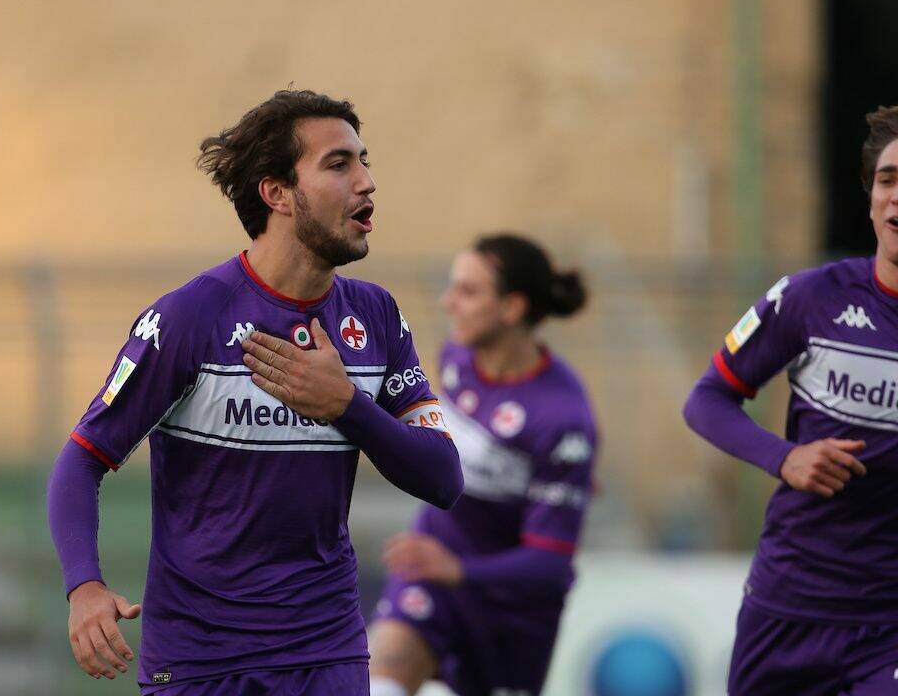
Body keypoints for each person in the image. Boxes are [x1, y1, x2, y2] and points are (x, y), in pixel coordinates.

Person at [47, 89, 463, 695]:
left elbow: (444, 477)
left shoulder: (375, 317)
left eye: (365, 161)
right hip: (202, 662)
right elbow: (83, 459)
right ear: (277, 193)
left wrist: (346, 406)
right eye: (339, 164)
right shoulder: (192, 317)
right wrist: (84, 587)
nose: (367, 181)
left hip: (329, 654)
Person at [682, 105, 898, 695]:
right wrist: (786, 458)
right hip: (789, 602)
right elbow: (707, 400)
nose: (897, 197)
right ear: (871, 194)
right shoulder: (810, 298)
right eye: (887, 179)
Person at [368, 234, 598, 696]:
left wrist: (462, 570)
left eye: (468, 292)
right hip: (431, 576)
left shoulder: (563, 419)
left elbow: (551, 563)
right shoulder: (456, 358)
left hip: (510, 611)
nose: (447, 302)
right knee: (379, 678)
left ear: (512, 308)